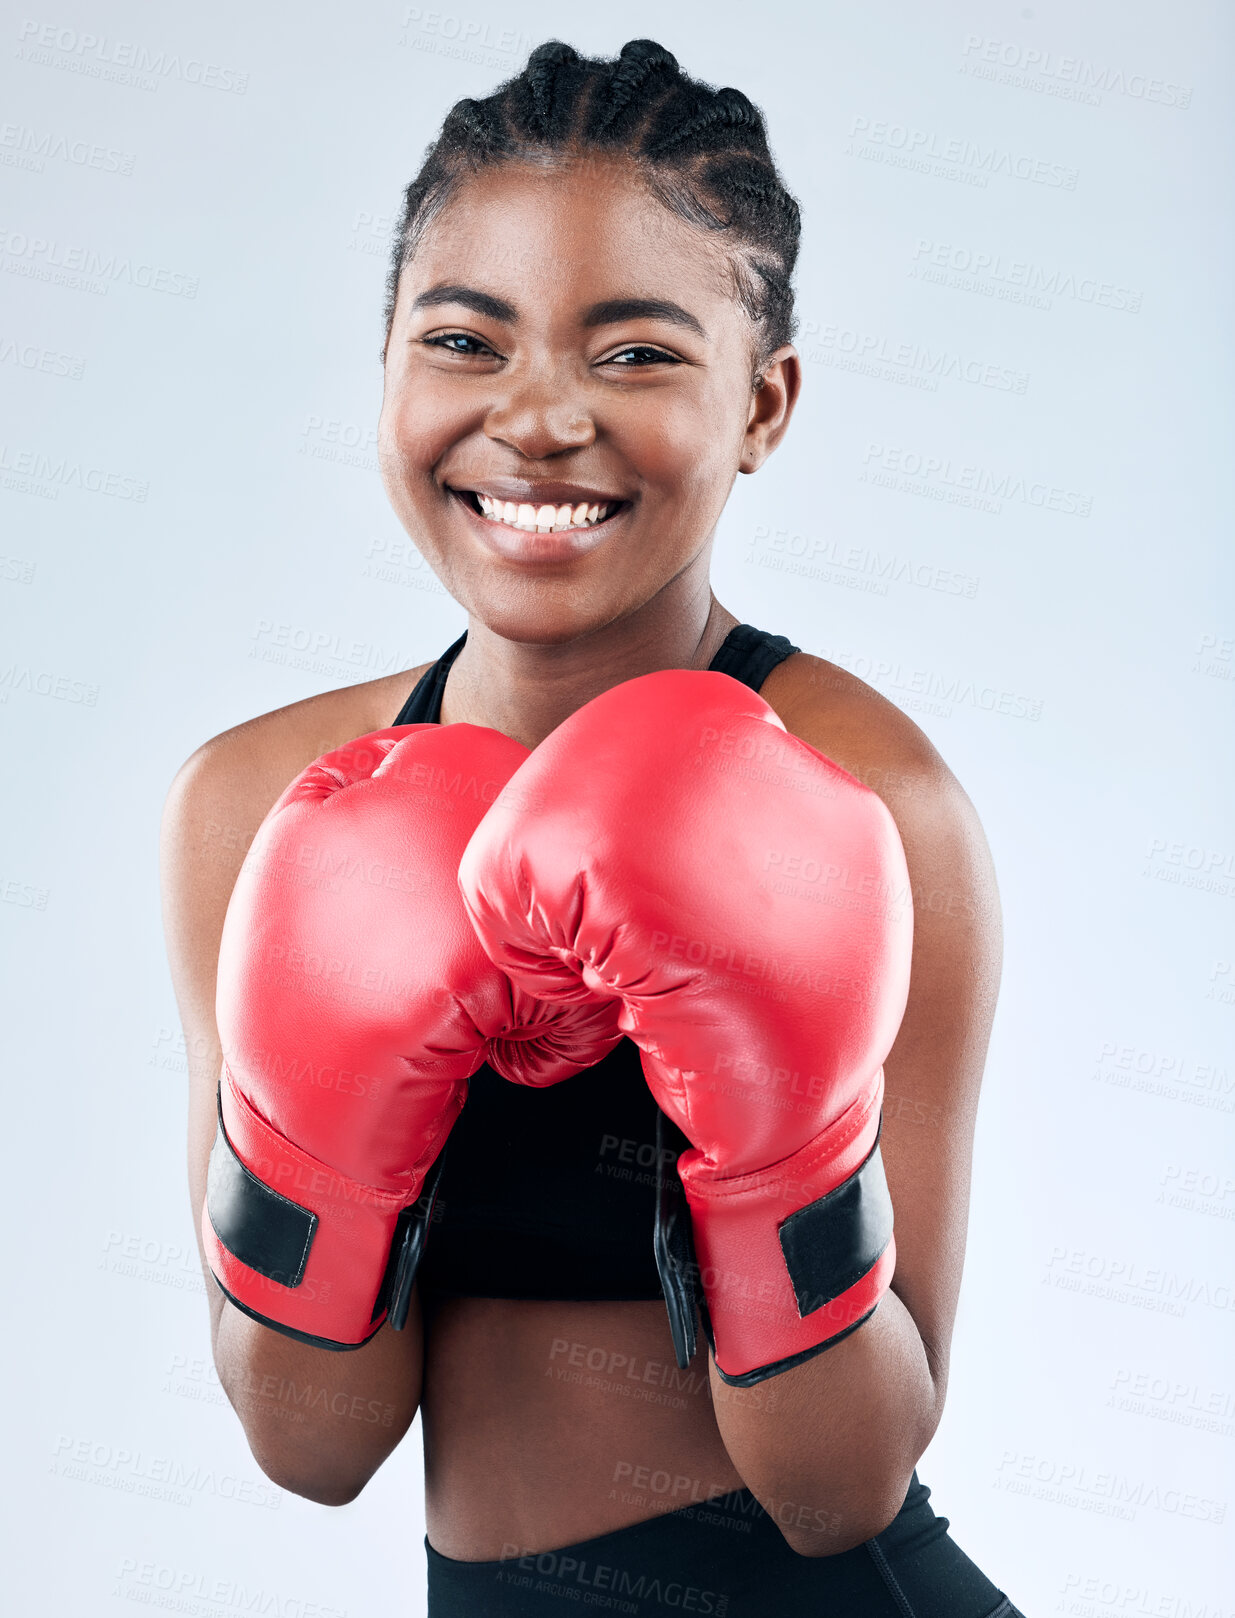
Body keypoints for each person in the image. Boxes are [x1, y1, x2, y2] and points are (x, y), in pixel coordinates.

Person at [161, 39, 1025, 1616]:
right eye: (463, 339)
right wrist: (335, 1144)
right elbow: (311, 1441)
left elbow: (845, 1487)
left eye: (632, 353)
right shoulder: (263, 803)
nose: (538, 417)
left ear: (762, 406)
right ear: (389, 373)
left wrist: (776, 1162)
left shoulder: (873, 805)